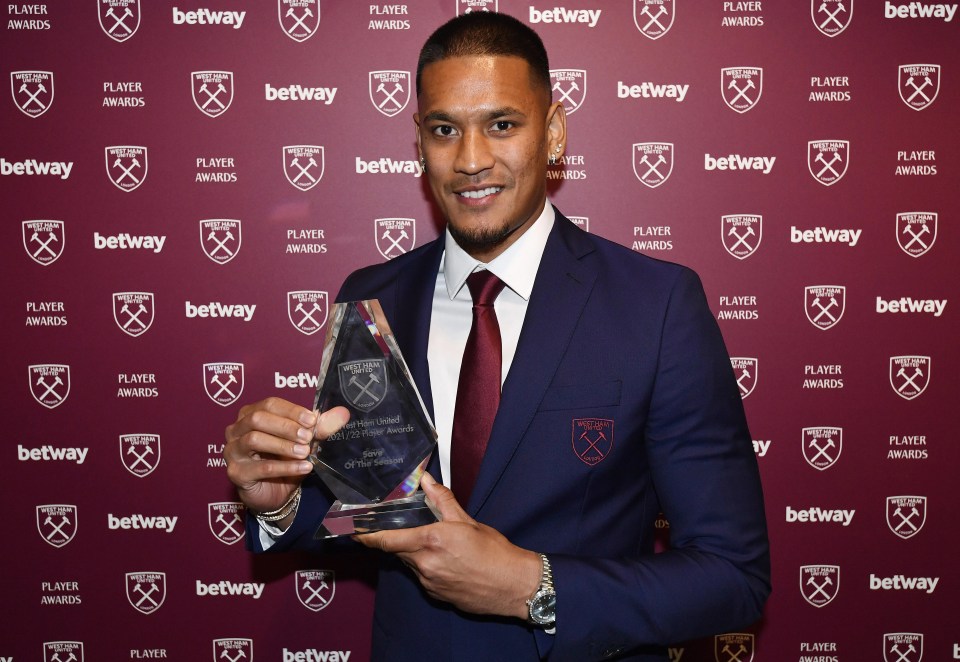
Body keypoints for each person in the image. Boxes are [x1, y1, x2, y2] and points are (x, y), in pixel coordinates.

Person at [224, 12, 770, 662]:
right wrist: (284, 506)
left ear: (554, 131)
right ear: (419, 142)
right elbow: (370, 514)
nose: (471, 160)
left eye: (502, 125)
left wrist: (533, 587)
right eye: (445, 130)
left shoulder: (656, 305)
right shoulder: (372, 297)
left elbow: (733, 576)